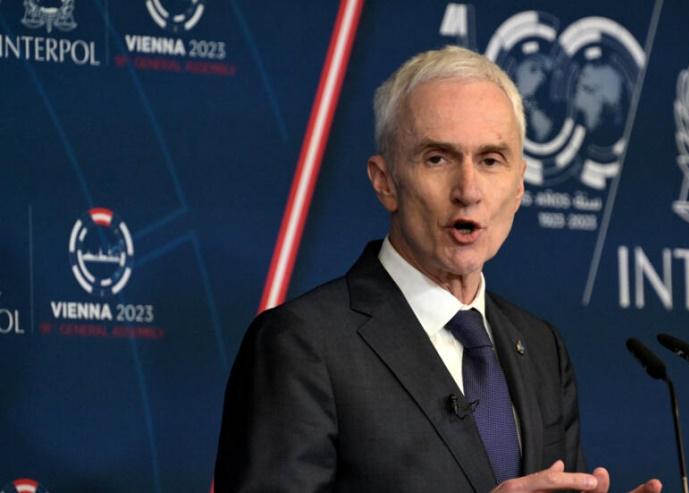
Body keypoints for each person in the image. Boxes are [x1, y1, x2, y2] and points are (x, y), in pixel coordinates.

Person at [214, 45, 662, 493]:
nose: (468, 190)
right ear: (384, 182)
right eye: (438, 159)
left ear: (520, 185)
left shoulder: (542, 347)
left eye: (490, 160)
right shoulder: (302, 344)